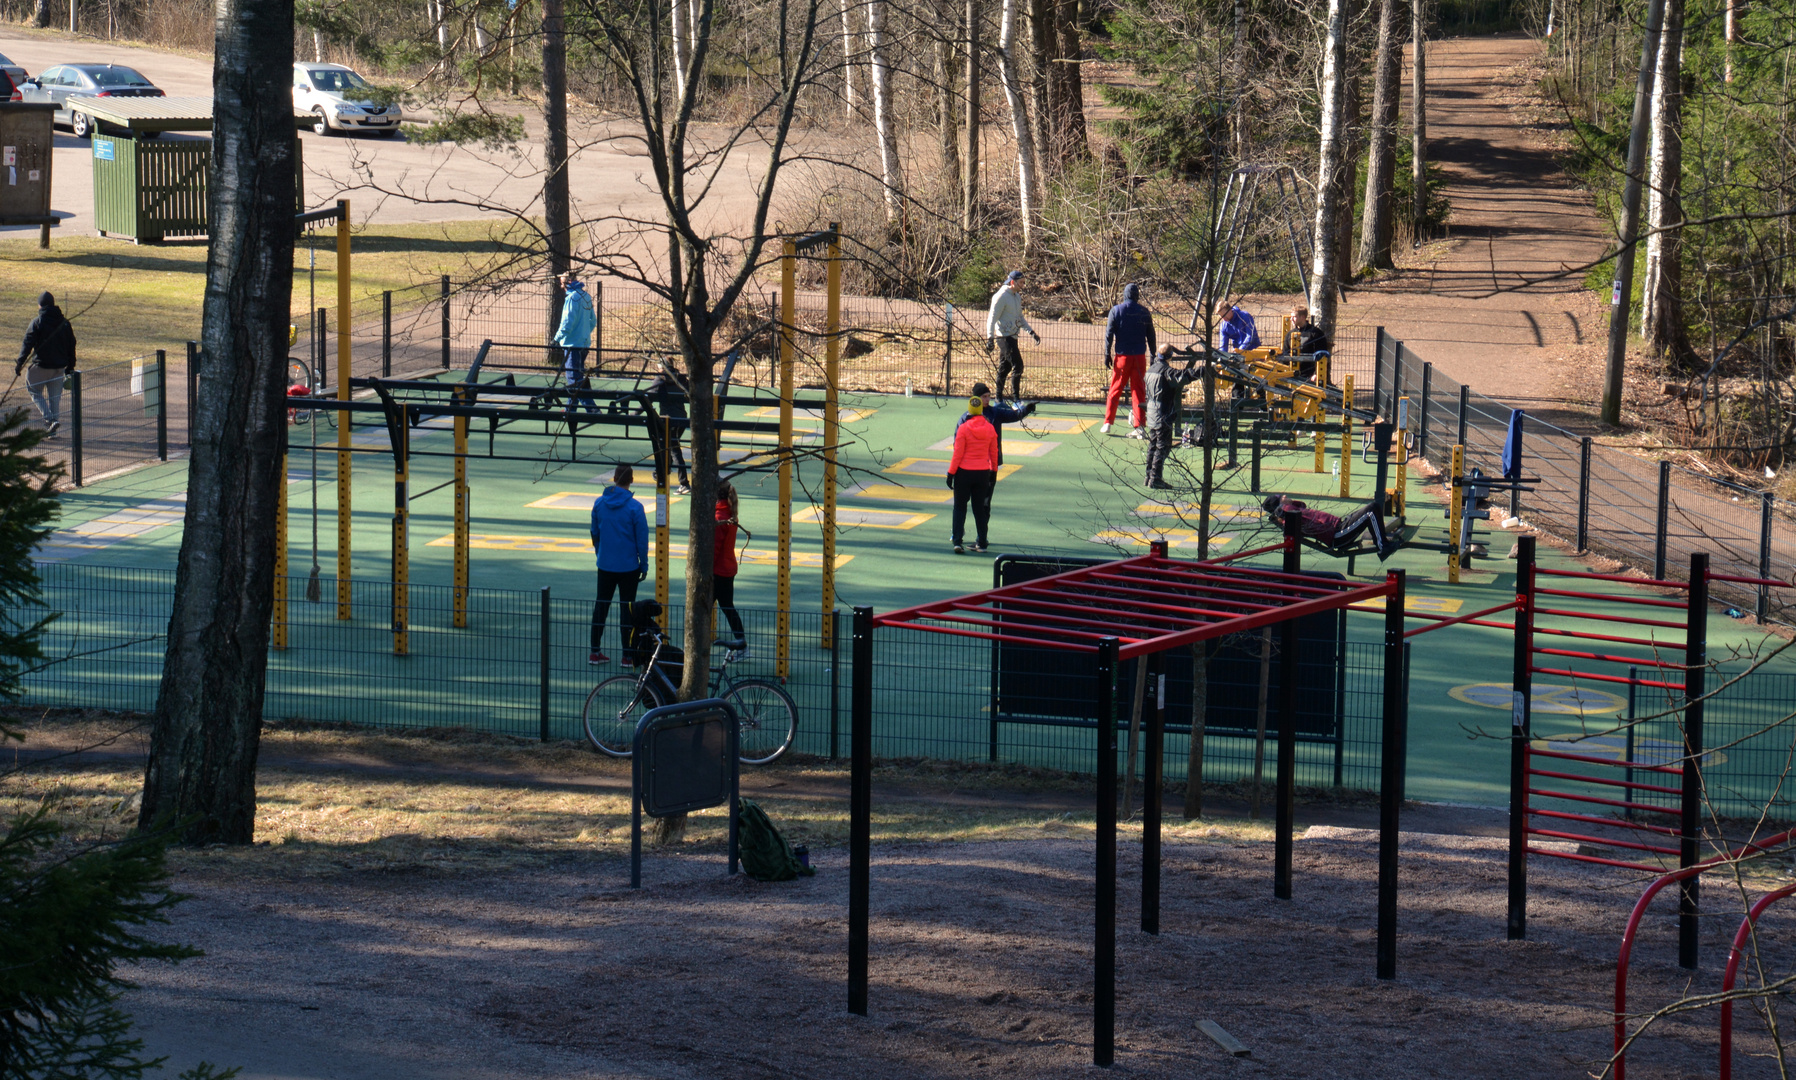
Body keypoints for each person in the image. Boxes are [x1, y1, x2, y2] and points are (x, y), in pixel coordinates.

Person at [589, 464, 649, 664]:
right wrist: (644, 564)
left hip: (605, 564)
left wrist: (600, 552)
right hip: (629, 567)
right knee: (627, 611)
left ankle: (595, 651)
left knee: (601, 607)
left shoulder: (599, 503)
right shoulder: (635, 507)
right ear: (631, 480)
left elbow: (594, 532)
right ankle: (627, 655)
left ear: (614, 478)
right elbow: (642, 540)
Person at [1262, 493, 1399, 559]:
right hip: (1337, 534)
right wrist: (1281, 509)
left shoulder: (1294, 510)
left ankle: (1381, 543)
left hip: (1339, 526)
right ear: (1281, 505)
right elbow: (1287, 517)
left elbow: (1301, 505)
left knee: (1371, 509)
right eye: (1282, 497)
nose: (1285, 495)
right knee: (1372, 509)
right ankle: (1383, 547)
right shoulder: (1288, 512)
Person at [14, 292, 77, 437]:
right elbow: (71, 345)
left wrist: (20, 364)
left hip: (41, 366)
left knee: (34, 391)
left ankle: (49, 420)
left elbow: (27, 344)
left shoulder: (37, 322)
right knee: (55, 398)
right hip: (59, 368)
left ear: (40, 305)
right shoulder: (65, 323)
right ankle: (52, 430)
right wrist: (70, 367)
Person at [1143, 345, 1205, 489]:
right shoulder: (1166, 372)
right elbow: (1183, 377)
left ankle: (1148, 476)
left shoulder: (1151, 369)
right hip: (1162, 412)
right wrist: (1201, 371)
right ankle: (1156, 478)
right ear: (1170, 356)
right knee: (1163, 446)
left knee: (1153, 445)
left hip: (1151, 412)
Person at [1101, 282, 1157, 438]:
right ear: (1137, 296)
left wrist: (1107, 353)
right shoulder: (1144, 312)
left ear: (1124, 295)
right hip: (1139, 356)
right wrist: (1153, 354)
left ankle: (1108, 422)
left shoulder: (1116, 311)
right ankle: (1140, 426)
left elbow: (1109, 334)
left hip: (1122, 357)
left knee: (1115, 389)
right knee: (1139, 391)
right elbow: (1151, 335)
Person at [946, 395, 1000, 555]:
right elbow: (994, 452)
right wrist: (993, 471)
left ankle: (957, 541)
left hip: (963, 473)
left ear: (970, 410)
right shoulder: (990, 428)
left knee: (959, 508)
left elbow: (958, 454)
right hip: (982, 473)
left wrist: (951, 473)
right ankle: (982, 542)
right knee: (979, 510)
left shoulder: (963, 428)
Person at [984, 270, 1040, 401]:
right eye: (1021, 283)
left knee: (1005, 368)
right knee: (1018, 365)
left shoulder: (1016, 297)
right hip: (1004, 337)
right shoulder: (1001, 296)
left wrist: (1031, 332)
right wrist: (990, 338)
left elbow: (1019, 318)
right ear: (1013, 282)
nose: (1023, 285)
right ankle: (1016, 400)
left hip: (1013, 337)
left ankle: (998, 399)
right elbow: (992, 318)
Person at [713, 480, 749, 659]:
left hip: (717, 570)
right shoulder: (730, 514)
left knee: (707, 607)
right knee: (727, 607)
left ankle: (741, 644)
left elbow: (715, 547)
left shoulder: (719, 518)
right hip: (727, 568)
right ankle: (741, 642)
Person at [645, 359, 692, 493]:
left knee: (674, 449)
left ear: (662, 368)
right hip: (681, 417)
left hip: (668, 419)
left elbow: (649, 396)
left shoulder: (661, 379)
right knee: (671, 445)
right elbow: (689, 393)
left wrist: (634, 413)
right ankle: (663, 469)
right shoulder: (680, 378)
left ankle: (684, 483)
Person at [554, 274, 596, 409]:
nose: (561, 286)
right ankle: (570, 409)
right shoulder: (586, 296)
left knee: (574, 380)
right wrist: (584, 334)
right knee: (577, 377)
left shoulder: (572, 299)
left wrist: (556, 339)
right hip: (583, 344)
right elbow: (593, 321)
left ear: (569, 282)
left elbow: (567, 323)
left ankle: (592, 410)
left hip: (572, 345)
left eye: (562, 283)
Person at [1287, 304, 1332, 381]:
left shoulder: (1316, 333)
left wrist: (1316, 374)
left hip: (1310, 377)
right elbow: (1285, 354)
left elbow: (1322, 355)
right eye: (1291, 317)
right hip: (1292, 374)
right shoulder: (1290, 334)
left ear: (1303, 317)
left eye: (1294, 317)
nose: (1291, 319)